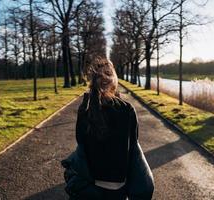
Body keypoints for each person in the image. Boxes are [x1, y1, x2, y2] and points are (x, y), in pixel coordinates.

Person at [62, 57, 154, 200]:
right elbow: (133, 145)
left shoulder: (85, 109)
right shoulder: (127, 109)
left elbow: (80, 142)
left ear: (92, 82)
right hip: (118, 188)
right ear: (114, 80)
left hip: (89, 187)